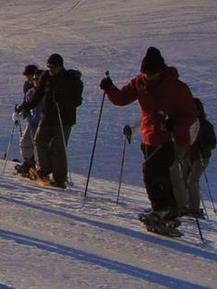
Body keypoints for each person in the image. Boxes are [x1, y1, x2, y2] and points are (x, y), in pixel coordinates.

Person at [99, 46, 198, 232]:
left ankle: (161, 208)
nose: (147, 77)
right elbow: (122, 99)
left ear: (160, 71)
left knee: (151, 169)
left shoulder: (176, 87)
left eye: (151, 74)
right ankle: (168, 212)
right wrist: (110, 88)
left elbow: (191, 114)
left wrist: (173, 124)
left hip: (173, 139)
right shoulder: (140, 83)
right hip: (149, 137)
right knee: (160, 175)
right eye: (144, 73)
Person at [18, 53, 83, 188]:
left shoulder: (70, 79)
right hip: (47, 117)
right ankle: (45, 169)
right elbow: (38, 94)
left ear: (60, 67)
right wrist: (25, 106)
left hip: (63, 120)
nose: (50, 70)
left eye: (53, 67)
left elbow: (77, 101)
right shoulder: (46, 76)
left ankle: (59, 179)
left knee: (58, 148)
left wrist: (63, 101)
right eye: (48, 67)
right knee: (39, 140)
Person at [179, 98, 217, 217]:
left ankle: (194, 208)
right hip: (187, 156)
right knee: (183, 180)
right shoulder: (186, 123)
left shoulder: (206, 125)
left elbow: (213, 143)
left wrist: (203, 146)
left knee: (192, 181)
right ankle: (184, 205)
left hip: (201, 157)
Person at [14, 65, 44, 177]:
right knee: (25, 143)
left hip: (42, 122)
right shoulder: (29, 88)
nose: (30, 79)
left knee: (38, 146)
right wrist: (21, 110)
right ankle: (30, 166)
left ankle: (40, 170)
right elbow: (26, 102)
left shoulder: (46, 91)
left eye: (31, 77)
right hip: (32, 120)